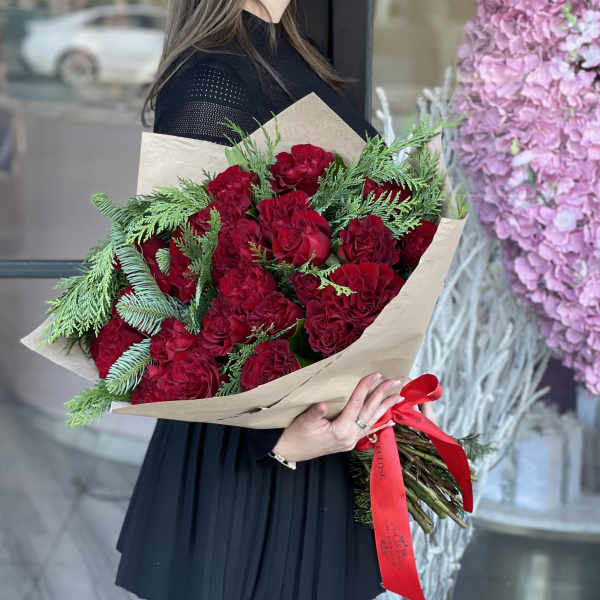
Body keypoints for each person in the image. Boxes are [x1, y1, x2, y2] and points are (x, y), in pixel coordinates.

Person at [116, 2, 434, 599]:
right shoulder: (212, 74)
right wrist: (280, 446)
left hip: (313, 420)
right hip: (256, 447)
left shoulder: (289, 52)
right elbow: (192, 283)